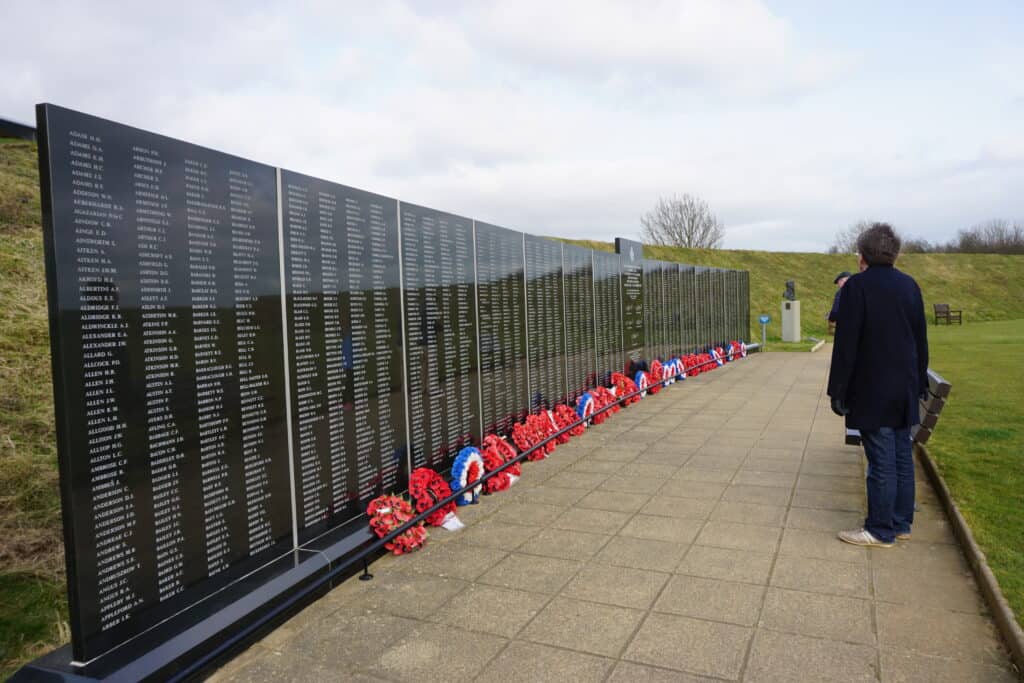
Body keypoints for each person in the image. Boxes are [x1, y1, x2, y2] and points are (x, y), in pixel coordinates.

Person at [827, 223, 928, 547]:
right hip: (904, 389)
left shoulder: (857, 288)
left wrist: (837, 390)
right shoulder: (910, 286)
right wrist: (919, 381)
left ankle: (879, 530)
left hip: (873, 389)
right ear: (894, 253)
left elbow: (846, 346)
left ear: (862, 256)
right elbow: (920, 341)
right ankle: (900, 523)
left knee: (881, 460)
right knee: (900, 456)